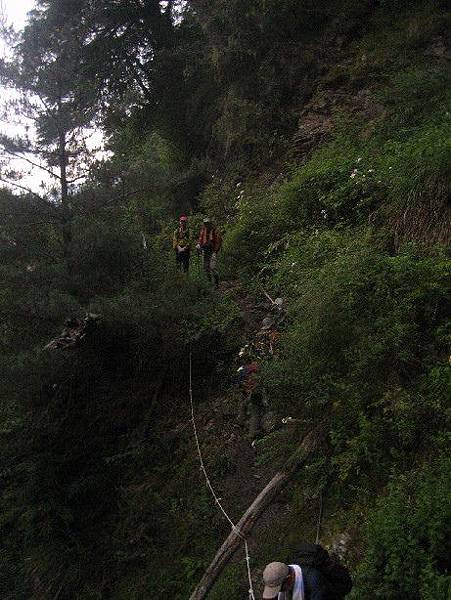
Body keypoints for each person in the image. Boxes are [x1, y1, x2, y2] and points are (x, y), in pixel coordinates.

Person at [262, 562, 328, 600]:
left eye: (279, 589)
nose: (278, 592)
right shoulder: (284, 574)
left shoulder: (314, 582)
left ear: (289, 579)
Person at [197, 217, 222, 287]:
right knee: (205, 268)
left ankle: (217, 284)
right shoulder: (203, 230)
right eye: (205, 224)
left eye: (208, 223)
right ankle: (210, 283)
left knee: (213, 268)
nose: (206, 225)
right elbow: (200, 239)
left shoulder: (215, 231)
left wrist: (215, 251)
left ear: (210, 224)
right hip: (205, 251)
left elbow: (218, 241)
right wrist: (199, 244)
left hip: (213, 251)